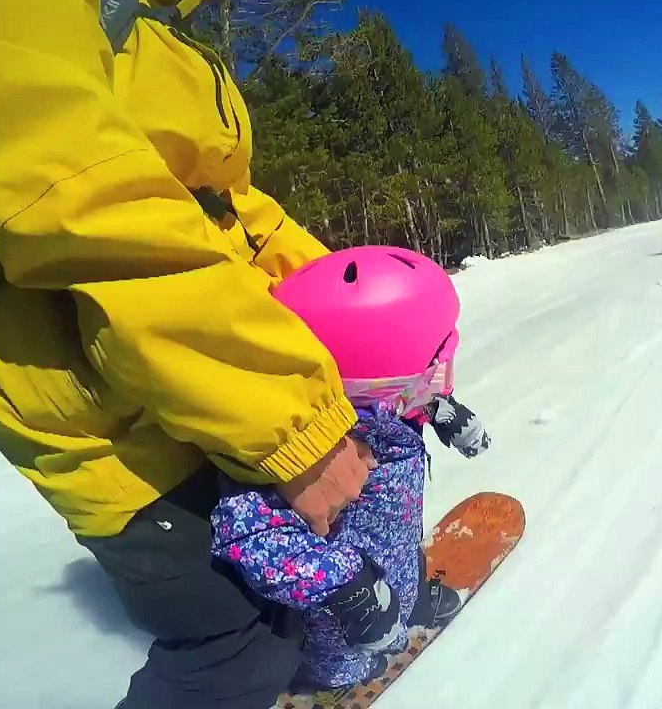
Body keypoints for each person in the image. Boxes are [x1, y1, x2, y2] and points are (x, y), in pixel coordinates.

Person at [0, 0, 377, 707]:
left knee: (290, 584)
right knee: (233, 641)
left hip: (186, 364)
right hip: (87, 384)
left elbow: (225, 207)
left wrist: (350, 325)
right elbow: (89, 209)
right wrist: (292, 423)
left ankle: (307, 665)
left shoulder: (132, 13)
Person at [211, 246, 492, 692]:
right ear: (377, 379)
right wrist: (347, 586)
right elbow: (248, 536)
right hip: (342, 621)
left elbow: (407, 399)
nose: (443, 371)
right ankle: (331, 677)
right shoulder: (300, 454)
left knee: (401, 557)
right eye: (435, 362)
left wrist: (440, 410)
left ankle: (410, 598)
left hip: (395, 560)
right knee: (348, 660)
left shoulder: (384, 410)